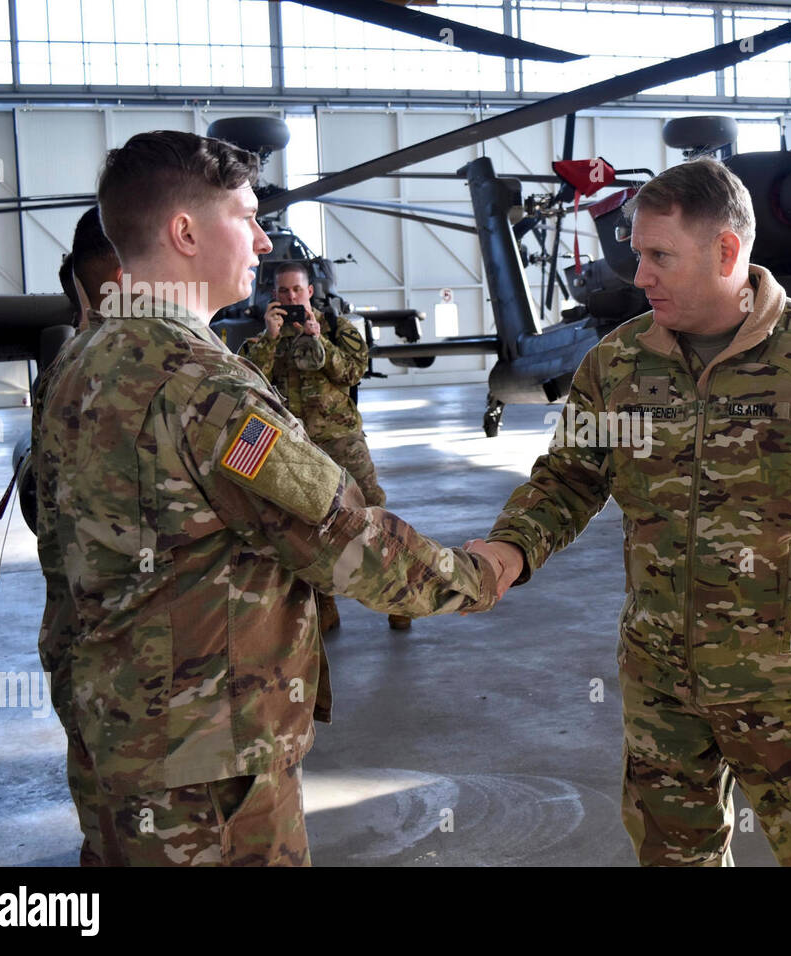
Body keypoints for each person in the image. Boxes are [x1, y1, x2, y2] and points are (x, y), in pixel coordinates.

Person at [34, 130, 498, 866]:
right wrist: (481, 575)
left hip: (111, 734)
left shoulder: (80, 361)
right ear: (184, 232)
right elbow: (344, 542)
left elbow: (53, 535)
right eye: (245, 216)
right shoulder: (205, 386)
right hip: (207, 767)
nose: (260, 240)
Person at [467, 158, 791, 866]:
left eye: (660, 256)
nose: (640, 276)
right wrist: (511, 549)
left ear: (726, 251)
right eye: (638, 255)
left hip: (788, 689)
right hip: (659, 685)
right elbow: (568, 479)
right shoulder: (618, 364)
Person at [240, 262, 409, 631]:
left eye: (297, 291)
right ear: (273, 296)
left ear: (310, 291)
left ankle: (399, 596)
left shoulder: (337, 329)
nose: (291, 299)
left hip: (341, 438)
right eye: (283, 293)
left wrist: (319, 340)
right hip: (296, 447)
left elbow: (352, 372)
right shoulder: (265, 338)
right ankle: (324, 606)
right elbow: (248, 384)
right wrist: (269, 337)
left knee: (373, 516)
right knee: (305, 528)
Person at [35, 206, 122, 866]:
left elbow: (44, 510)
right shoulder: (176, 377)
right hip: (162, 698)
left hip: (81, 651)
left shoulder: (65, 365)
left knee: (107, 832)